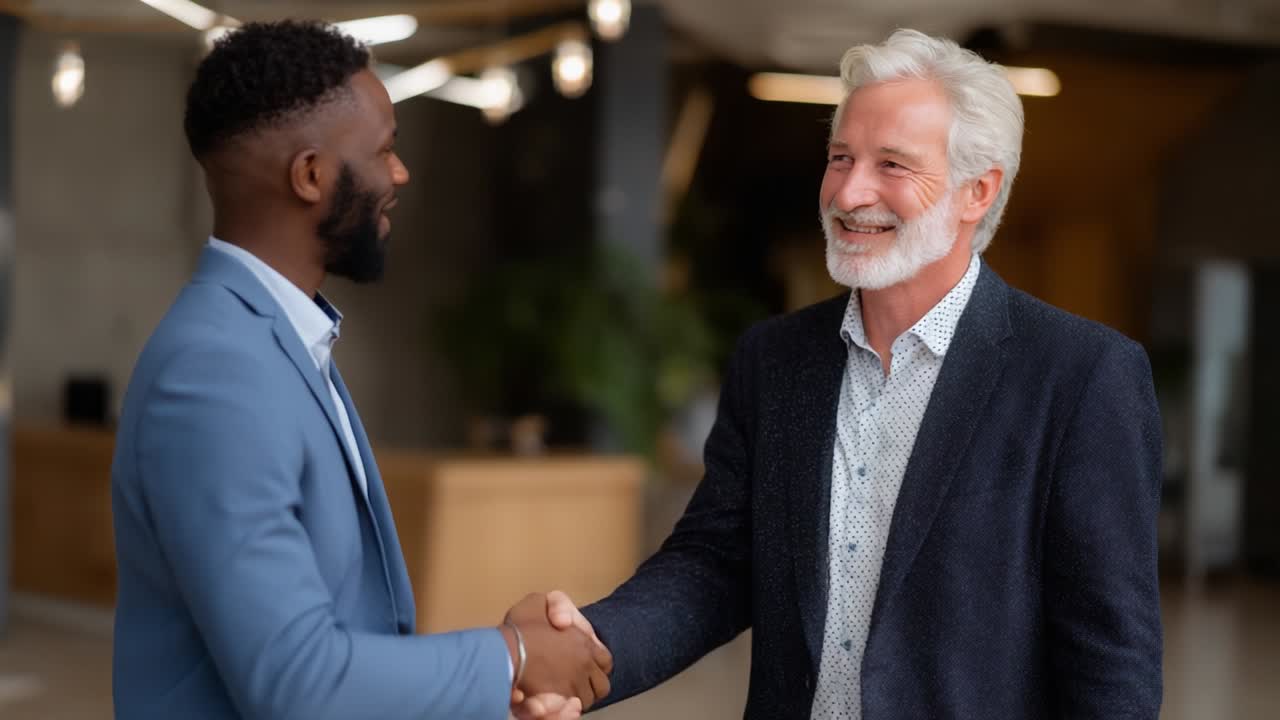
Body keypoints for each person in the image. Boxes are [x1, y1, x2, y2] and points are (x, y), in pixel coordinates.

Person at [525, 28, 1163, 720]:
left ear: (975, 192)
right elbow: (714, 565)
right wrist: (587, 651)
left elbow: (1111, 660)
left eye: (892, 165)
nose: (851, 191)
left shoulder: (1082, 376)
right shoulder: (775, 361)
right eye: (840, 158)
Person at [110, 20, 608, 720]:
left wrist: (500, 680)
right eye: (384, 150)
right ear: (310, 175)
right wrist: (513, 657)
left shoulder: (281, 339)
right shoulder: (215, 373)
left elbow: (345, 633)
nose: (399, 173)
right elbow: (298, 680)